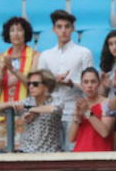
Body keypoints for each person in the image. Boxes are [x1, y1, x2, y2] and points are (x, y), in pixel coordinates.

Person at [37, 10, 94, 151]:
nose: (63, 31)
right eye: (59, 27)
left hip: (74, 110)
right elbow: (39, 86)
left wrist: (70, 83)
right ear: (54, 29)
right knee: (50, 152)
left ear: (73, 28)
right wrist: (54, 81)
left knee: (71, 151)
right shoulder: (45, 55)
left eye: (67, 26)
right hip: (50, 111)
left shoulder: (84, 52)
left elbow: (91, 86)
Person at [0, 68, 63, 153]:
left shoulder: (56, 100)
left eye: (35, 84)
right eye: (29, 83)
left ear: (47, 86)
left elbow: (54, 109)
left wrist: (32, 110)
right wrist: (10, 104)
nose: (31, 86)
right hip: (27, 152)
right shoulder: (27, 101)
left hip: (49, 152)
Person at [0, 16, 38, 151]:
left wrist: (13, 69)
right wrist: (0, 70)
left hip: (26, 113)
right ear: (8, 34)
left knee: (25, 153)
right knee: (5, 154)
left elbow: (33, 85)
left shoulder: (35, 55)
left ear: (26, 33)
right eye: (12, 30)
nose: (16, 34)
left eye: (19, 30)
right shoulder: (1, 57)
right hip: (4, 114)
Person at [69, 67, 115, 152]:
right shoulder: (80, 104)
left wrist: (87, 112)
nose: (89, 85)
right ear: (81, 85)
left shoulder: (108, 103)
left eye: (93, 81)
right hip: (79, 154)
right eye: (86, 82)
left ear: (99, 83)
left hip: (101, 155)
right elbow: (71, 139)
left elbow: (104, 132)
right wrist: (77, 118)